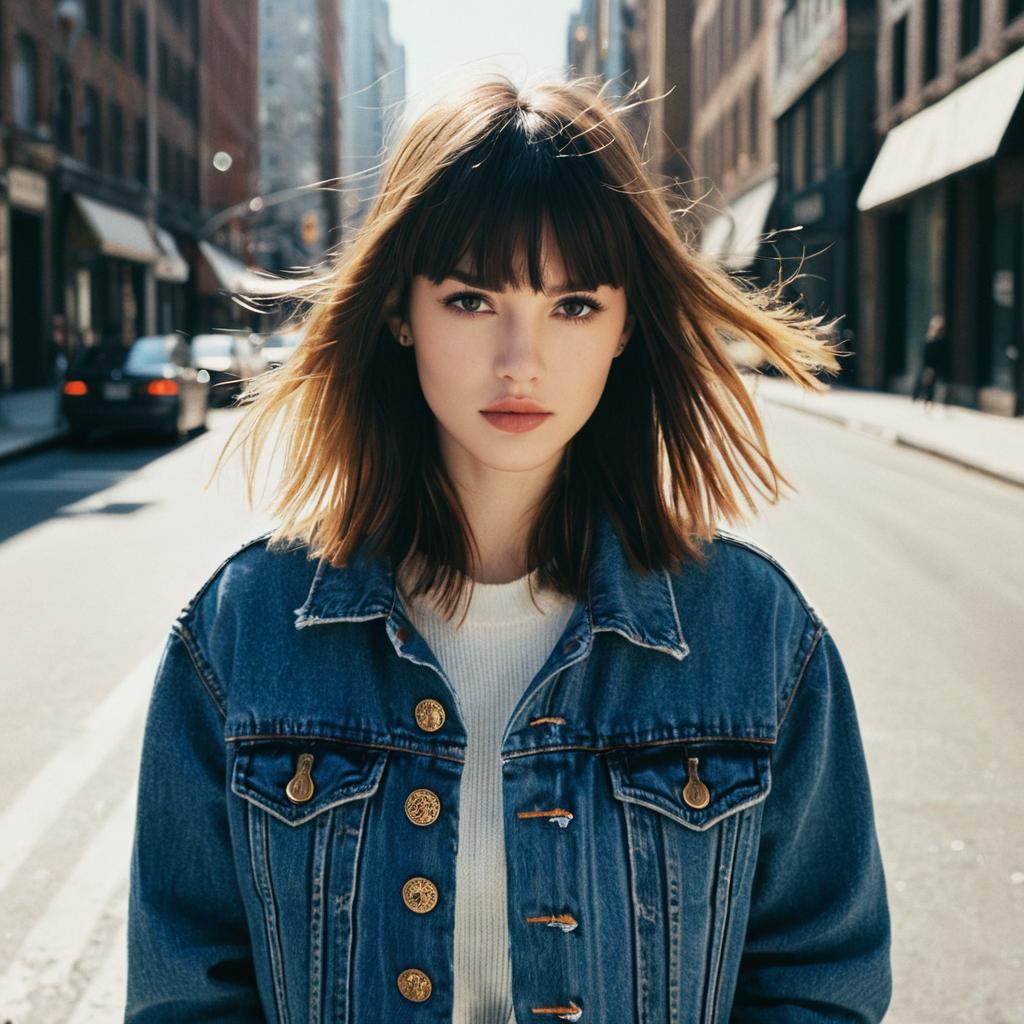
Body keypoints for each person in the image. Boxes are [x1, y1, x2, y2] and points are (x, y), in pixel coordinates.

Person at [125, 77, 892, 1022]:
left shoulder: (755, 636)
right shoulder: (244, 632)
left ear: (625, 327)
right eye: (472, 299)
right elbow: (186, 994)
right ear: (401, 311)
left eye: (573, 304)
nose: (520, 359)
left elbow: (821, 980)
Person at [912, 313, 949, 410]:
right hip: (927, 366)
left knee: (932, 386)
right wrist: (927, 368)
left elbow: (943, 356)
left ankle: (929, 402)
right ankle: (919, 400)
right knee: (923, 383)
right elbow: (924, 355)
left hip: (936, 367)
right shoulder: (928, 339)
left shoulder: (941, 341)